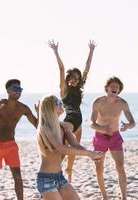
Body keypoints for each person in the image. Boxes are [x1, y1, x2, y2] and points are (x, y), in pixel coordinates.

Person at [36, 94, 102, 199]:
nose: (61, 104)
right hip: (45, 180)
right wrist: (89, 153)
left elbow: (75, 145)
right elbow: (61, 148)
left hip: (60, 177)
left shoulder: (63, 126)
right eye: (58, 103)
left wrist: (92, 155)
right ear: (50, 108)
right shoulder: (45, 128)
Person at [0, 79, 38, 200]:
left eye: (20, 89)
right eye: (15, 89)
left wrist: (40, 113)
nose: (18, 92)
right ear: (8, 90)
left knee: (17, 176)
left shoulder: (23, 108)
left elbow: (37, 125)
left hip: (10, 145)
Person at [48, 39, 96, 182]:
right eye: (72, 78)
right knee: (65, 148)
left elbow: (87, 68)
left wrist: (91, 51)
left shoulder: (78, 89)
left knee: (73, 151)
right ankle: (53, 170)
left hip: (79, 123)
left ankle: (69, 173)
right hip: (69, 122)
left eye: (76, 78)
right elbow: (62, 69)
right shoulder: (64, 90)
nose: (74, 80)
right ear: (68, 79)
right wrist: (56, 52)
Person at [90, 76, 136, 200]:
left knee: (120, 166)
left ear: (119, 90)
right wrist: (103, 129)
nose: (115, 88)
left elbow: (133, 122)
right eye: (112, 86)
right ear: (107, 88)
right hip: (100, 138)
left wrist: (127, 126)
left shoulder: (122, 103)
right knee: (99, 169)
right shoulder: (98, 102)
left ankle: (124, 197)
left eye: (117, 87)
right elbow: (91, 123)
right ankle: (105, 196)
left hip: (115, 137)